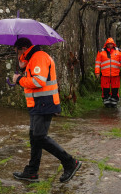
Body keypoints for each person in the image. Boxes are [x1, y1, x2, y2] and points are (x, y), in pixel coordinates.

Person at [11, 37, 82, 183]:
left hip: (44, 103)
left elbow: (38, 81)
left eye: (17, 52)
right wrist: (23, 65)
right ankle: (32, 171)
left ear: (23, 49)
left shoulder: (39, 57)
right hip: (38, 104)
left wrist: (19, 80)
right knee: (34, 137)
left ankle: (70, 162)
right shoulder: (33, 58)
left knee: (39, 137)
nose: (17, 55)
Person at [95, 37, 121, 108]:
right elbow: (97, 63)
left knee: (115, 89)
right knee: (105, 89)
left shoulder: (119, 51)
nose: (110, 45)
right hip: (105, 75)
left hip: (115, 75)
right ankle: (106, 102)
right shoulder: (101, 52)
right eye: (108, 44)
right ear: (106, 44)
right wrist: (97, 72)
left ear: (113, 44)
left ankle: (114, 102)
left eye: (111, 44)